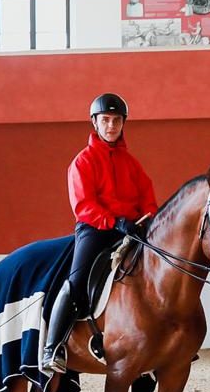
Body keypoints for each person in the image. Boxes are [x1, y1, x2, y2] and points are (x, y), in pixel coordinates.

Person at [41, 93, 158, 374]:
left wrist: (148, 219)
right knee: (78, 280)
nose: (111, 126)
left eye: (116, 120)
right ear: (95, 123)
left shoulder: (132, 163)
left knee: (158, 276)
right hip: (95, 229)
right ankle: (52, 347)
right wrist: (115, 221)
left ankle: (158, 349)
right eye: (105, 120)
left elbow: (148, 197)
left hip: (131, 230)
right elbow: (84, 205)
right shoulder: (82, 162)